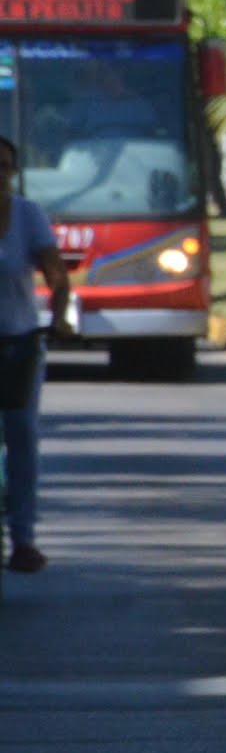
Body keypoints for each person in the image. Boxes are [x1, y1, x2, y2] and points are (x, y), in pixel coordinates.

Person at [0, 135, 72, 575]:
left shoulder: (29, 216)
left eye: (4, 167)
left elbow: (57, 275)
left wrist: (60, 317)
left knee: (22, 434)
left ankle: (23, 538)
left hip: (19, 346)